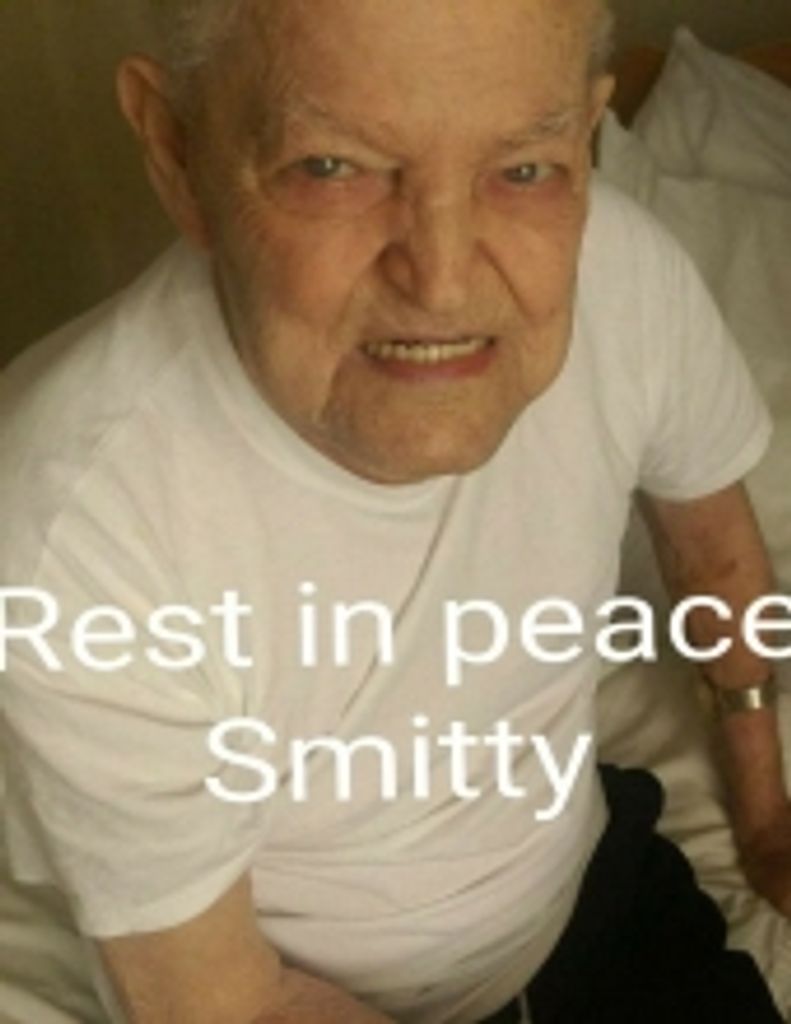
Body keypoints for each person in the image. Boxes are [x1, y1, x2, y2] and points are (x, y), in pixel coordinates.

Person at [1, 0, 789, 1021]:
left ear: (587, 137)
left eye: (524, 169)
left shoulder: (626, 279)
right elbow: (230, 1005)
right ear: (176, 150)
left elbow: (712, 550)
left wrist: (764, 818)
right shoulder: (71, 529)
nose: (444, 282)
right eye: (333, 167)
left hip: (587, 881)